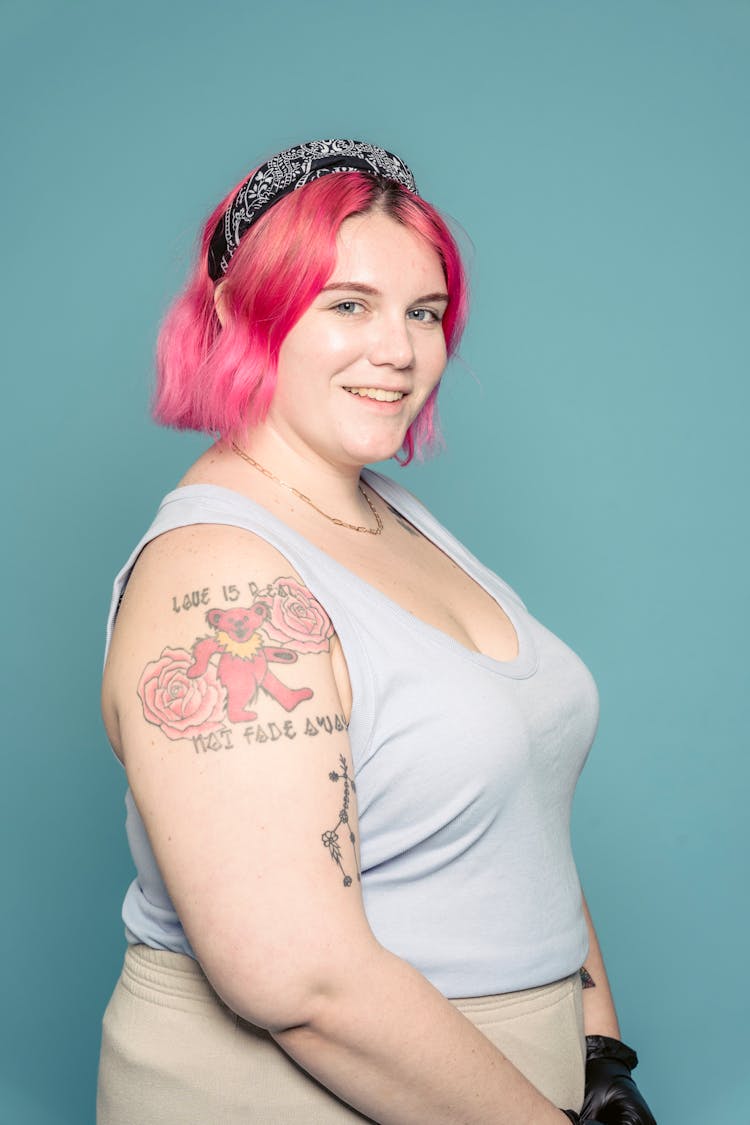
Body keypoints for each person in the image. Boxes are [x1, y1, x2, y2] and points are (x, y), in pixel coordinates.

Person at [97, 139, 656, 1124]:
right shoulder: (221, 579)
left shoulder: (393, 514)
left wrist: (599, 1055)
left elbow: (521, 810)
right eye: (347, 304)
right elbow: (297, 981)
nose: (399, 350)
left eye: (424, 312)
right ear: (241, 309)